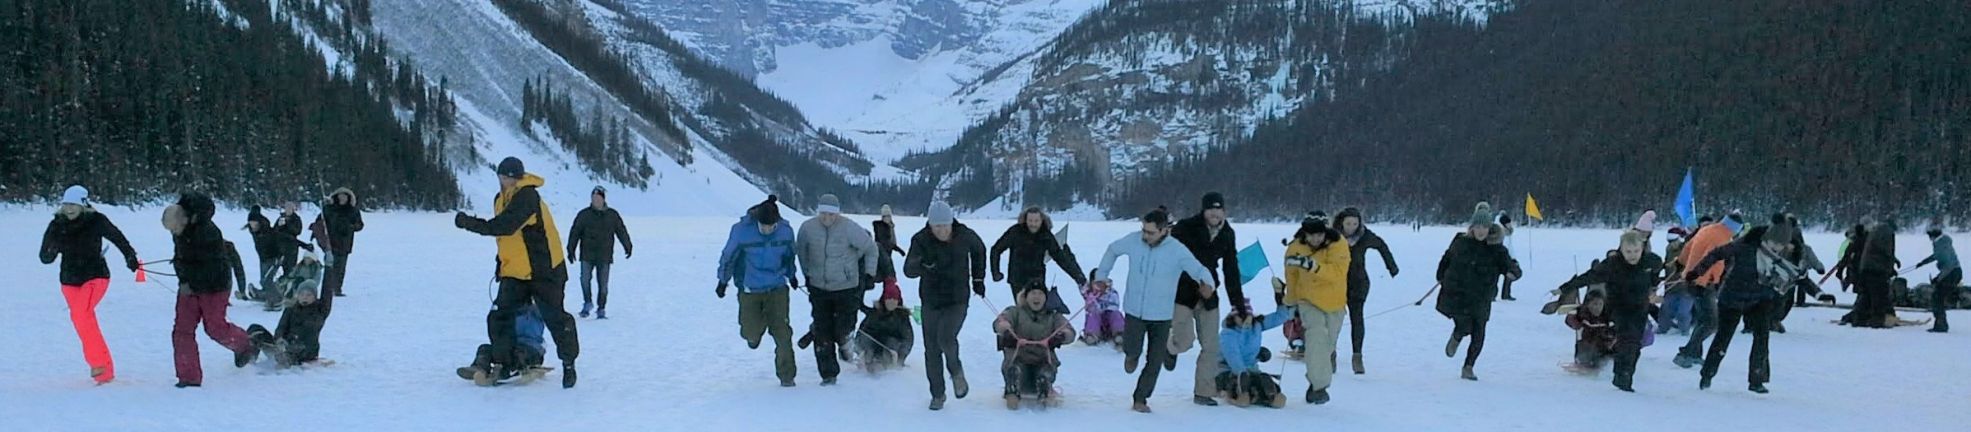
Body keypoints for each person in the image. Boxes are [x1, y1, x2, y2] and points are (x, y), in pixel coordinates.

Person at [454, 157, 581, 389]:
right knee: (499, 316)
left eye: (510, 178)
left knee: (555, 318)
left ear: (518, 178)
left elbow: (505, 226)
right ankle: (505, 363)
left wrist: (468, 223)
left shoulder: (527, 196)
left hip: (545, 271)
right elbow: (508, 240)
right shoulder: (500, 199)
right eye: (503, 177)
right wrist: (500, 265)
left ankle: (569, 363)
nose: (506, 182)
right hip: (516, 271)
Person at [1093, 207, 1216, 413]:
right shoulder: (1134, 241)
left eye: (1150, 232)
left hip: (1161, 315)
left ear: (1164, 231)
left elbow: (1198, 269)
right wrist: (1101, 277)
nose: (1145, 236)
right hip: (1134, 310)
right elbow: (1113, 249)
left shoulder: (1176, 250)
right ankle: (1131, 355)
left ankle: (1140, 398)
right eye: (1143, 230)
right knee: (1132, 348)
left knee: (1154, 360)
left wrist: (1207, 284)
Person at [38, 185, 140, 385]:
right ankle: (105, 370)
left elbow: (117, 238)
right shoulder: (57, 225)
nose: (69, 209)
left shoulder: (96, 221)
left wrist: (130, 256)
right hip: (69, 280)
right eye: (66, 204)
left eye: (74, 205)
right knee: (82, 320)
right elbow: (44, 256)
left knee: (81, 314)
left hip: (95, 276)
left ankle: (98, 364)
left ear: (84, 204)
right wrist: (53, 249)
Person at [1686, 221, 1801, 394]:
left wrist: (1819, 294)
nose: (1778, 248)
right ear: (1767, 237)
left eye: (1781, 245)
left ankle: (1757, 379)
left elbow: (1796, 275)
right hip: (1733, 298)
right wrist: (1697, 272)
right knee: (1723, 338)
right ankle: (1707, 374)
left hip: (1761, 299)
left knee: (1762, 338)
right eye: (1775, 244)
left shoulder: (1779, 255)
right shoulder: (1745, 245)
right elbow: (1717, 253)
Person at [165, 192, 260, 388]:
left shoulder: (208, 233)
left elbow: (210, 267)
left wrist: (190, 277)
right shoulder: (181, 231)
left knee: (215, 328)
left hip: (214, 286)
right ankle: (188, 377)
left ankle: (246, 345)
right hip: (189, 286)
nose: (173, 233)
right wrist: (182, 276)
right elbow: (181, 258)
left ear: (185, 219)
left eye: (175, 228)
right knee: (182, 330)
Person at [904, 201, 988, 411]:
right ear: (930, 225)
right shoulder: (921, 239)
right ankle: (937, 394)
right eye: (937, 226)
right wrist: (922, 265)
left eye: (945, 225)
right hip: (931, 300)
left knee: (946, 337)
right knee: (931, 349)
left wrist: (978, 279)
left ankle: (956, 371)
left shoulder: (965, 235)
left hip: (957, 299)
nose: (942, 230)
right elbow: (908, 269)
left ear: (951, 223)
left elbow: (980, 250)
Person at [1554, 230, 1662, 391]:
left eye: (1636, 251)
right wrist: (1565, 288)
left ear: (1642, 248)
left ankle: (1623, 375)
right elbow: (1588, 277)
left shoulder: (1651, 261)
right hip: (1618, 308)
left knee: (1635, 346)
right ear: (1621, 249)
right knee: (1628, 340)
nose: (1632, 255)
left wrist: (1653, 289)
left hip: (1640, 308)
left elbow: (1656, 274)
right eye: (1628, 252)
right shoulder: (1612, 265)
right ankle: (1623, 379)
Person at [1168, 192, 1246, 407]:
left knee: (1211, 345)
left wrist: (1238, 306)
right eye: (1210, 209)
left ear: (1224, 211)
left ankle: (1203, 392)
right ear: (1204, 211)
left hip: (1209, 295)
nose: (1214, 213)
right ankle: (1170, 350)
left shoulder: (1227, 234)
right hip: (1182, 293)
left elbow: (1231, 271)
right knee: (1184, 341)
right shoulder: (1185, 227)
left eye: (1218, 209)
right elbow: (1170, 259)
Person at [716, 195, 801, 387]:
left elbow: (789, 257)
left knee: (782, 332)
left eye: (771, 227)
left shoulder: (786, 231)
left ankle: (787, 376)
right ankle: (754, 334)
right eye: (763, 226)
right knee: (750, 332)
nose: (767, 230)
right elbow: (728, 257)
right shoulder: (741, 231)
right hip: (750, 290)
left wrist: (792, 275)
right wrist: (723, 281)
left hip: (777, 288)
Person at [795, 193, 879, 385]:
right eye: (823, 214)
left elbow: (870, 248)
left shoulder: (849, 227)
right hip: (819, 288)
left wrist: (869, 274)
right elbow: (802, 252)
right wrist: (807, 274)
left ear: (838, 214)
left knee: (842, 328)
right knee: (823, 332)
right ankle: (828, 374)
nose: (827, 218)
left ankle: (844, 341)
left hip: (846, 287)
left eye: (831, 215)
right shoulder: (807, 228)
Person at [1435, 202, 1520, 381]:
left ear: (1490, 228)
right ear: (1472, 227)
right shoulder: (1461, 242)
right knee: (1464, 325)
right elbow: (1447, 258)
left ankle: (1468, 367)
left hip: (1482, 296)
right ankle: (1457, 335)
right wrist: (1441, 275)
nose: (1481, 231)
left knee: (1479, 333)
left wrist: (1513, 273)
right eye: (1478, 227)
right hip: (1458, 294)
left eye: (1485, 227)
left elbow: (1509, 265)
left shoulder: (1496, 249)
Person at [1281, 212, 1350, 403]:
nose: (1315, 239)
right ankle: (1320, 387)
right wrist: (1291, 302)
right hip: (1308, 300)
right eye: (1311, 235)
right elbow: (1292, 277)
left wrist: (1312, 265)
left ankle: (1315, 382)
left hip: (1335, 302)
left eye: (1319, 235)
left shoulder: (1339, 244)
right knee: (1316, 337)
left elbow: (1338, 273)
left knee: (1328, 345)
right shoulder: (1295, 248)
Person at [1334, 207, 1397, 375]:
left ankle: (1357, 356)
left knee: (1357, 318)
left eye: (1355, 223)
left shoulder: (1364, 236)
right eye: (1348, 223)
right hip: (1336, 284)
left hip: (1358, 283)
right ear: (1342, 222)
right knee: (1334, 320)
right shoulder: (1333, 236)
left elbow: (1381, 246)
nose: (1351, 227)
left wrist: (1391, 266)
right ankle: (1330, 353)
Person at [1673, 214, 1738, 368]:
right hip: (1702, 282)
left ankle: (1695, 354)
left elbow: (1688, 246)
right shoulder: (1722, 239)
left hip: (1693, 279)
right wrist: (1704, 282)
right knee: (1711, 322)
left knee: (1703, 320)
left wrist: (1681, 263)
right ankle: (1685, 353)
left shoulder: (1707, 229)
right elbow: (1711, 261)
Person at [994, 285, 1073, 409]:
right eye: (1033, 293)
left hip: (1043, 360)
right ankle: (1012, 392)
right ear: (1025, 297)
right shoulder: (1015, 311)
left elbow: (1069, 330)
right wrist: (1004, 327)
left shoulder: (1053, 316)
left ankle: (1044, 388)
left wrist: (1062, 336)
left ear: (1046, 298)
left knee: (1044, 373)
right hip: (1019, 359)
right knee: (1014, 370)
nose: (1037, 297)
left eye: (1040, 294)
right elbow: (1001, 321)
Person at [246, 252, 330, 367]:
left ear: (315, 297)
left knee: (293, 350)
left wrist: (329, 267)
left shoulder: (320, 310)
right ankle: (249, 361)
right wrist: (279, 339)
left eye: (309, 295)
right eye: (302, 294)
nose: (305, 297)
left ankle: (286, 358)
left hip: (305, 351)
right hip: (284, 347)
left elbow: (327, 291)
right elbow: (281, 327)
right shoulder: (291, 309)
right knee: (255, 330)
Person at [991, 206, 1089, 301]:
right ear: (1025, 220)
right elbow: (996, 249)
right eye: (1030, 221)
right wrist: (995, 272)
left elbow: (1060, 257)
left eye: (1036, 221)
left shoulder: (1045, 235)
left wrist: (1077, 276)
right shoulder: (1015, 232)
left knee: (1038, 311)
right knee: (1023, 311)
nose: (1033, 224)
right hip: (1017, 279)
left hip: (1037, 278)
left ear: (1042, 220)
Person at [566, 185, 634, 319]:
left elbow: (621, 230)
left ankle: (601, 308)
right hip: (587, 254)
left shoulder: (612, 215)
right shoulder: (584, 215)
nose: (595, 200)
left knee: (603, 284)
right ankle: (587, 303)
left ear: (603, 199)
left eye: (598, 198)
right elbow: (575, 232)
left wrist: (627, 245)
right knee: (585, 280)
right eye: (593, 198)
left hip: (604, 256)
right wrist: (571, 249)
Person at [454, 299, 550, 385]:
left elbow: (546, 312)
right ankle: (479, 367)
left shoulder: (536, 312)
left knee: (519, 353)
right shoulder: (510, 311)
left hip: (532, 349)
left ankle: (516, 369)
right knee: (485, 349)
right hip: (508, 345)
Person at [1216, 306, 1293, 408]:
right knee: (1241, 380)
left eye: (1247, 316)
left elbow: (1280, 317)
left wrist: (1283, 301)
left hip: (1251, 370)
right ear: (1233, 317)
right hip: (1227, 371)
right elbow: (1234, 359)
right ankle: (1241, 393)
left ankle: (1270, 394)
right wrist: (1244, 375)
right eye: (1240, 317)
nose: (1244, 320)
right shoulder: (1228, 335)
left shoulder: (1256, 326)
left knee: (1260, 379)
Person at [1850, 221, 1900, 328]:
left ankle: (1859, 319)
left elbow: (1876, 249)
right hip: (1877, 270)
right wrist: (1890, 268)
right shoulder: (1887, 232)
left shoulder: (1875, 231)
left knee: (1866, 296)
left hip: (1865, 268)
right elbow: (1887, 251)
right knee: (1879, 297)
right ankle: (1877, 321)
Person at [855, 283, 914, 373]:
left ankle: (886, 364)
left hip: (890, 349)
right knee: (867, 341)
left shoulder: (902, 317)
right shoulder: (875, 313)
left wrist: (900, 357)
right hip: (873, 345)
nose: (891, 301)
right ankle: (868, 361)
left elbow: (908, 339)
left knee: (892, 342)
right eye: (889, 298)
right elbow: (862, 332)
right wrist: (860, 350)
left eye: (894, 299)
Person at [315, 188, 364, 297]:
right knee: (330, 265)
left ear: (349, 198)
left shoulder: (353, 210)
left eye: (345, 196)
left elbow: (360, 225)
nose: (342, 198)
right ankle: (327, 288)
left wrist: (351, 227)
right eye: (340, 196)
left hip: (345, 243)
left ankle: (337, 288)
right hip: (330, 242)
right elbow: (320, 222)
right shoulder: (329, 209)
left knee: (340, 267)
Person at [1913, 220, 1959, 333]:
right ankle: (1941, 324)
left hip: (1951, 273)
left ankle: (1941, 326)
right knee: (1938, 297)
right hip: (1954, 272)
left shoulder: (1940, 244)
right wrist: (1923, 262)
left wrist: (1939, 278)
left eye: (1929, 235)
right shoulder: (1942, 242)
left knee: (1937, 297)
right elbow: (1936, 256)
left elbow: (1948, 265)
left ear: (1933, 235)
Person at [1658, 223, 1697, 335]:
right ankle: (1662, 330)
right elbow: (1667, 266)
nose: (1671, 244)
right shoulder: (1669, 250)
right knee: (1665, 311)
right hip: (1671, 287)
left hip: (1686, 289)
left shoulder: (1688, 249)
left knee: (1683, 312)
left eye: (1673, 241)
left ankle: (1684, 332)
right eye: (1669, 241)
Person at [1564, 291, 1617, 371]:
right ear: (1588, 305)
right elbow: (1569, 320)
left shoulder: (1607, 315)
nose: (1597, 307)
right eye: (1595, 304)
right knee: (1590, 351)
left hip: (1606, 347)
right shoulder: (1583, 314)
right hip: (1587, 348)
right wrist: (1575, 320)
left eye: (1600, 304)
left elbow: (1617, 330)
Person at [872, 205, 908, 299]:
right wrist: (897, 249)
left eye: (888, 216)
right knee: (887, 276)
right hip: (881, 256)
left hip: (887, 254)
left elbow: (891, 241)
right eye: (885, 216)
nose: (887, 218)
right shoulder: (881, 227)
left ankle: (886, 297)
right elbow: (885, 242)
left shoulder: (890, 226)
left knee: (887, 278)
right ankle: (887, 298)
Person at [1080, 270, 1124, 346]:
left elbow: (1114, 306)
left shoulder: (1112, 293)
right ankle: (1091, 335)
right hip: (1096, 325)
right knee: (1092, 315)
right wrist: (1091, 299)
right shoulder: (1088, 293)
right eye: (1096, 283)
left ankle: (1119, 333)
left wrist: (1100, 306)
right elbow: (1081, 284)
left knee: (1116, 314)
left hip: (1109, 322)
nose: (1099, 286)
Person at [1497, 213, 1519, 301]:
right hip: (1502, 257)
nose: (1510, 225)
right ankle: (1495, 295)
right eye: (1508, 223)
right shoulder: (1500, 232)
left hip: (1508, 256)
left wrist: (1513, 257)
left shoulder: (1508, 233)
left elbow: (1510, 246)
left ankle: (1506, 294)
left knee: (1512, 274)